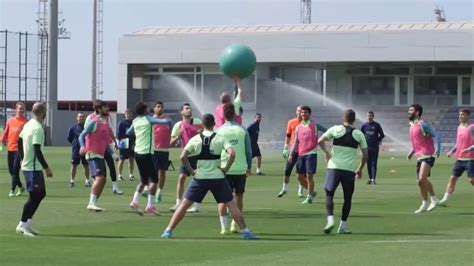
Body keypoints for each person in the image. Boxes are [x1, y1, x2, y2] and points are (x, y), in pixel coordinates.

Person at [161, 114, 258, 240]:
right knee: (231, 204)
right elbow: (232, 154)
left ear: (203, 124)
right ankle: (246, 232)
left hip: (200, 177)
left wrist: (191, 170)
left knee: (184, 205)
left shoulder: (195, 139)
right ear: (214, 124)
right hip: (217, 177)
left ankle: (168, 230)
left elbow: (182, 156)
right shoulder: (220, 138)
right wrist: (225, 169)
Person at [318, 109, 368, 234]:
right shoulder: (358, 134)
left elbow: (320, 141)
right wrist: (360, 169)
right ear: (354, 120)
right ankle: (342, 226)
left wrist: (327, 152)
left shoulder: (335, 129)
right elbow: (366, 154)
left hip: (334, 167)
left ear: (343, 119)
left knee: (329, 193)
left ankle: (330, 220)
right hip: (349, 170)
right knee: (348, 198)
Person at [127, 101, 172, 214]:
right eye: (147, 109)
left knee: (144, 180)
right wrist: (169, 121)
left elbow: (128, 132)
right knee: (154, 180)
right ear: (144, 110)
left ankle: (135, 201)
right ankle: (150, 206)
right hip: (147, 153)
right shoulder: (148, 119)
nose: (149, 110)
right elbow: (162, 121)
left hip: (137, 152)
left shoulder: (135, 120)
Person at [16, 102, 53, 237]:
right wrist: (47, 168)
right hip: (32, 168)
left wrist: (21, 158)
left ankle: (27, 222)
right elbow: (37, 150)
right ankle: (22, 224)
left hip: (32, 167)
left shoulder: (28, 124)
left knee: (41, 194)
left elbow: (19, 141)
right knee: (34, 196)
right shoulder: (37, 128)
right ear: (44, 113)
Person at [217, 103, 252, 234]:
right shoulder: (242, 130)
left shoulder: (219, 131)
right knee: (239, 196)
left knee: (222, 198)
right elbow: (249, 151)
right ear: (235, 115)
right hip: (240, 168)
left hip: (224, 168)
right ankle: (234, 224)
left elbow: (215, 150)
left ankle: (223, 227)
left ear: (223, 115)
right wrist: (249, 166)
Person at [79, 100, 114, 211]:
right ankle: (91, 203)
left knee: (102, 180)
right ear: (99, 109)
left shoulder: (105, 122)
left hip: (100, 154)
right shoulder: (94, 121)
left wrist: (113, 153)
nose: (107, 109)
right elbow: (82, 135)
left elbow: (104, 141)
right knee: (100, 178)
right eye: (105, 107)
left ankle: (93, 203)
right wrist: (81, 146)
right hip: (92, 153)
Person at [289, 106, 327, 204]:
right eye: (302, 112)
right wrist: (291, 153)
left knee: (309, 176)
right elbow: (296, 141)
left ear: (309, 114)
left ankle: (309, 196)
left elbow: (327, 131)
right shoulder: (298, 127)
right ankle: (312, 192)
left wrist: (320, 140)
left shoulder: (315, 125)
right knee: (299, 177)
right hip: (301, 154)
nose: (303, 114)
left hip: (311, 153)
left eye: (305, 112)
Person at [407, 104, 441, 213]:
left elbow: (437, 135)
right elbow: (417, 142)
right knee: (421, 182)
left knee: (422, 179)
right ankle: (426, 203)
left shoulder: (423, 124)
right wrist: (412, 152)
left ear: (417, 113)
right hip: (419, 156)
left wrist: (438, 149)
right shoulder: (412, 125)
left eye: (411, 110)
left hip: (428, 155)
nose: (408, 112)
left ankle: (433, 199)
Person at [169, 103, 203, 212]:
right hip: (186, 155)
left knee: (199, 180)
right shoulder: (178, 125)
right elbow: (171, 143)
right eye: (186, 108)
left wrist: (202, 133)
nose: (189, 110)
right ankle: (178, 203)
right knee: (181, 178)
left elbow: (208, 133)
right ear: (181, 112)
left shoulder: (198, 122)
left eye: (190, 108)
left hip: (198, 155)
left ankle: (196, 206)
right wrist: (178, 136)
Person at [439, 108, 474, 206]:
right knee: (452, 179)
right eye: (459, 114)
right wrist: (452, 151)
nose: (460, 116)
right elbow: (459, 143)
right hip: (459, 159)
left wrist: (469, 149)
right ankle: (444, 200)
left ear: (468, 116)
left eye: (462, 114)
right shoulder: (459, 127)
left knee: (472, 180)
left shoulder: (472, 128)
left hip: (470, 159)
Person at [85, 108, 123, 195]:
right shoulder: (90, 118)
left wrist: (115, 141)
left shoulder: (105, 118)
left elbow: (109, 130)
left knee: (111, 165)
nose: (107, 109)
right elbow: (86, 133)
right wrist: (85, 146)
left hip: (105, 146)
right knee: (101, 173)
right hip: (94, 148)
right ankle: (95, 188)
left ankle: (115, 187)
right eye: (105, 107)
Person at [278, 105, 306, 198]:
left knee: (301, 172)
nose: (299, 112)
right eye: (298, 110)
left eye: (301, 111)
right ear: (296, 112)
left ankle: (300, 191)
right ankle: (284, 189)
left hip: (303, 151)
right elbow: (288, 135)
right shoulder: (291, 122)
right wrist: (285, 147)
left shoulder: (306, 123)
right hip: (293, 150)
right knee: (287, 170)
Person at [1, 102, 27, 197]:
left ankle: (12, 190)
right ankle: (20, 187)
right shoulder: (10, 121)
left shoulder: (26, 122)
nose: (21, 110)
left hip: (19, 150)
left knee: (15, 170)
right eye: (19, 108)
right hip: (10, 148)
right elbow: (6, 131)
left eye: (22, 109)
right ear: (15, 109)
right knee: (11, 171)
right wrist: (2, 140)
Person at [152, 101, 172, 203]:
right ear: (154, 108)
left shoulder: (167, 119)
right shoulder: (151, 120)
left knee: (163, 172)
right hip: (154, 149)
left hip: (164, 150)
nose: (160, 108)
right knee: (153, 173)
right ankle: (150, 192)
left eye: (161, 107)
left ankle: (159, 192)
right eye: (158, 107)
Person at [360, 111, 385, 185]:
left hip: (374, 147)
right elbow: (361, 135)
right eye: (368, 115)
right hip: (366, 148)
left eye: (370, 115)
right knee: (368, 163)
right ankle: (370, 178)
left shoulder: (376, 125)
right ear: (366, 116)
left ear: (373, 116)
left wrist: (378, 140)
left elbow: (382, 135)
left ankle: (373, 179)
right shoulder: (364, 126)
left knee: (374, 163)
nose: (369, 117)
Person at [67, 112, 91, 187]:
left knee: (86, 165)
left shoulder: (87, 128)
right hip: (76, 150)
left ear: (84, 118)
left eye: (82, 117)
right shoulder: (73, 128)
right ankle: (72, 181)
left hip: (86, 149)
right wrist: (75, 144)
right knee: (74, 165)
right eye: (79, 117)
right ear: (77, 118)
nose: (81, 118)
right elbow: (69, 139)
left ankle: (87, 181)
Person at [117, 108, 136, 182]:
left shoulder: (134, 123)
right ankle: (120, 175)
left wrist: (134, 143)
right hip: (124, 143)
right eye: (127, 114)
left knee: (131, 159)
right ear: (125, 115)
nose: (128, 115)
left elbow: (136, 134)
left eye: (129, 114)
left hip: (131, 143)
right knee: (122, 159)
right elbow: (118, 134)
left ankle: (131, 175)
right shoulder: (121, 123)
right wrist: (118, 143)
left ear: (131, 115)